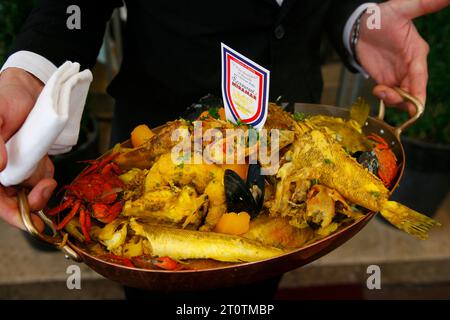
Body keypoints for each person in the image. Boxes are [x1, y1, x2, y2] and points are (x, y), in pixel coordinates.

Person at [0, 0, 448, 299]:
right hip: (159, 134)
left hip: (289, 140)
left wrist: (358, 22)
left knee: (257, 292)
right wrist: (31, 73)